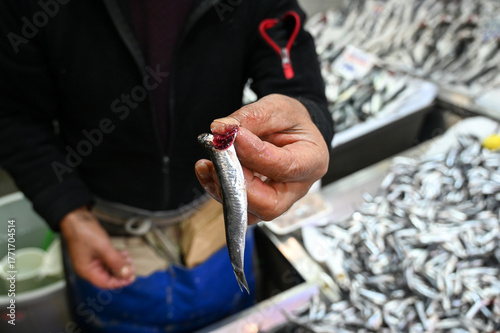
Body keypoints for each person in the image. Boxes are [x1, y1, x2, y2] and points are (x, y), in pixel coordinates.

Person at [0, 0, 333, 332]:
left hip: (217, 222)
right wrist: (67, 211)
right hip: (106, 236)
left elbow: (295, 81)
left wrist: (308, 122)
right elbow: (15, 116)